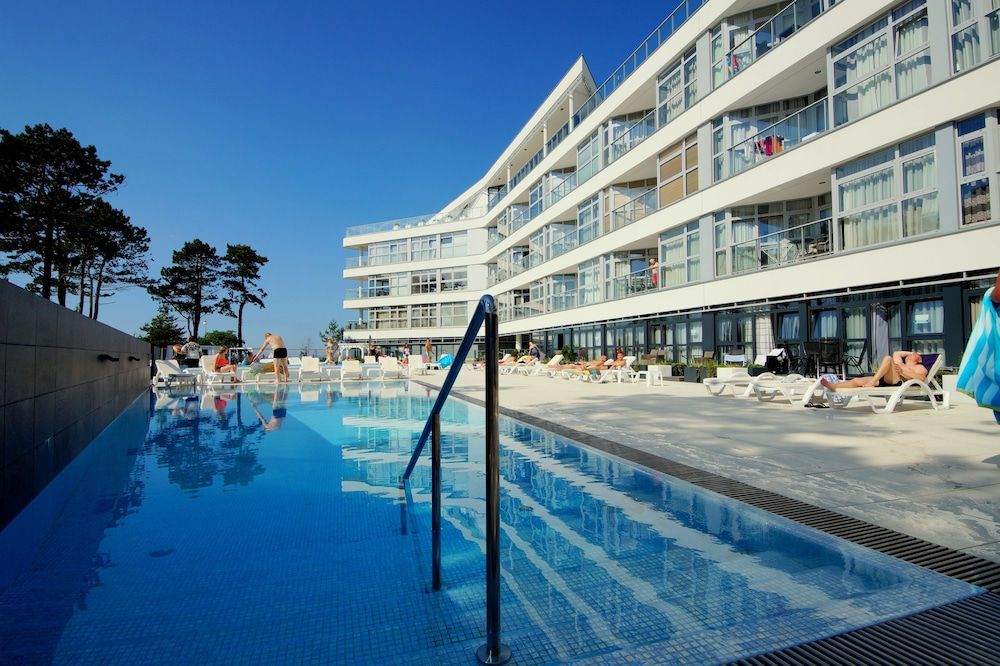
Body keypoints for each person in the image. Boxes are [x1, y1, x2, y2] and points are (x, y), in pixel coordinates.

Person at [820, 351, 927, 391]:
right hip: (885, 378)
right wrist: (912, 354)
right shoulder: (900, 362)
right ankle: (834, 386)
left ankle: (872, 382)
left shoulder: (919, 367)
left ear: (920, 359)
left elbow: (922, 378)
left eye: (915, 353)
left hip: (899, 381)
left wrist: (903, 372)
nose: (912, 353)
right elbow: (897, 353)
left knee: (888, 358)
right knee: (857, 380)